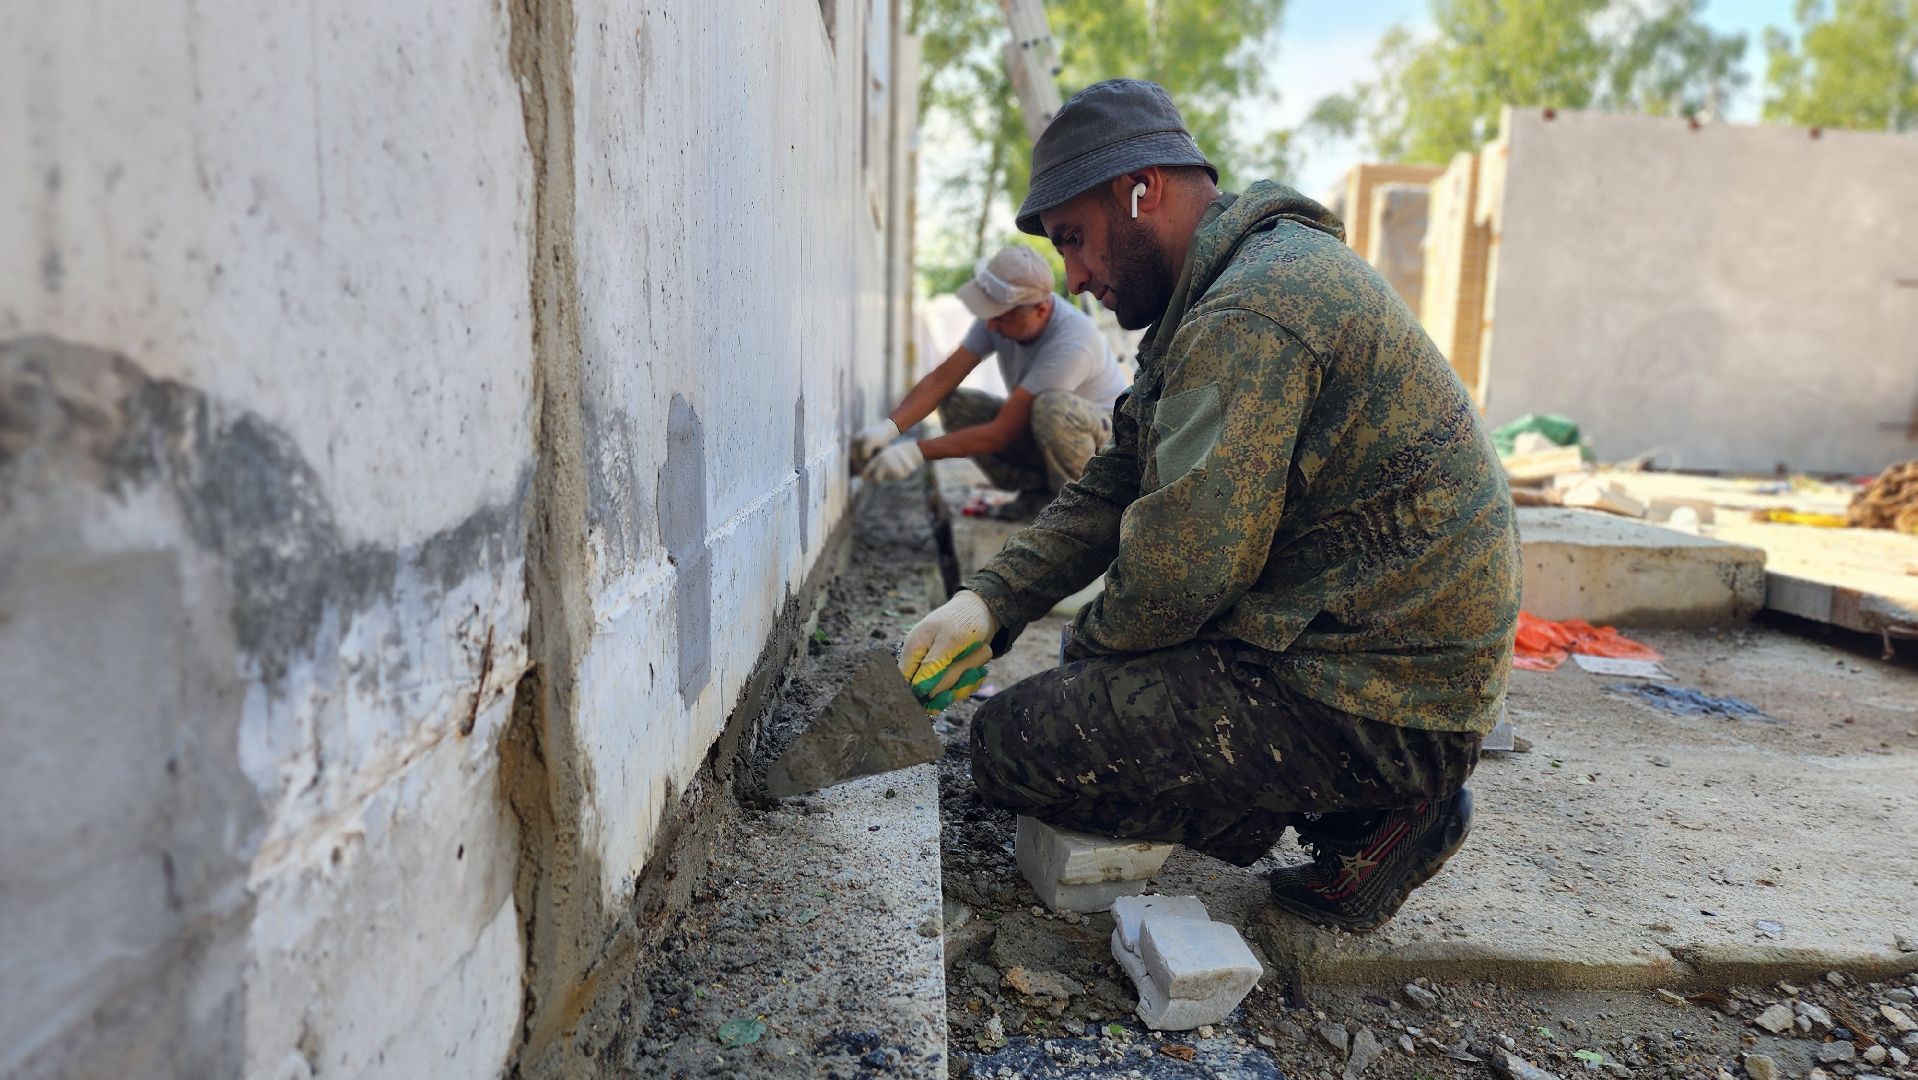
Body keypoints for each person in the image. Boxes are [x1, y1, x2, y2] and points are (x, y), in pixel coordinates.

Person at [894, 79, 1520, 932]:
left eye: (1076, 239)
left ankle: (1379, 809)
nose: (1075, 276)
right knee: (1081, 703)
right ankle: (1336, 795)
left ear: (1140, 189)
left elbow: (1182, 574)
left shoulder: (1251, 311)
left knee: (1013, 748)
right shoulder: (1223, 292)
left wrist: (1087, 665)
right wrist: (989, 601)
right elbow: (1117, 482)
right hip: (1351, 644)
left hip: (1386, 695)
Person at [855, 245, 1128, 513]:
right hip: (1050, 440)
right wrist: (888, 429)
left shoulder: (1073, 344)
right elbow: (942, 380)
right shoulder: (1000, 316)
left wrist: (914, 453)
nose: (990, 326)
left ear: (1041, 311)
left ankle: (1079, 511)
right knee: (956, 404)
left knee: (1052, 408)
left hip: (1105, 455)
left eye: (1000, 318)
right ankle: (1039, 495)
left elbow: (1001, 432)